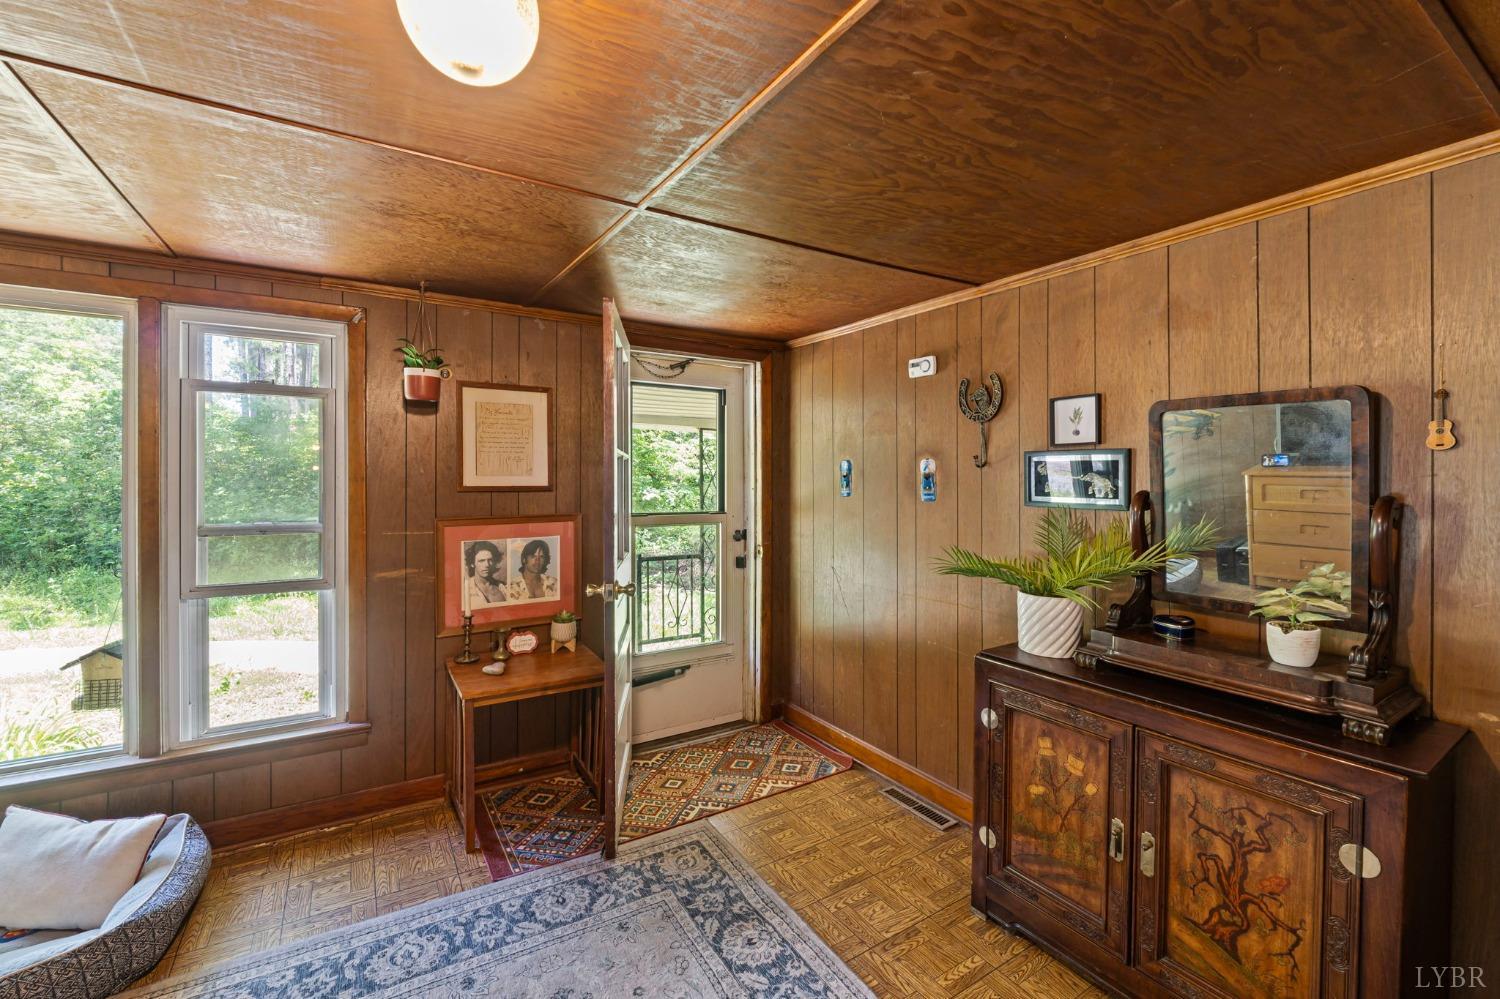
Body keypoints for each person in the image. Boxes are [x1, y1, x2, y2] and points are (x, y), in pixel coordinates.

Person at [465, 541, 506, 608]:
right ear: (472, 563)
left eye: (490, 560)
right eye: (481, 561)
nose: (487, 565)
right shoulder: (465, 590)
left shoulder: (503, 588)